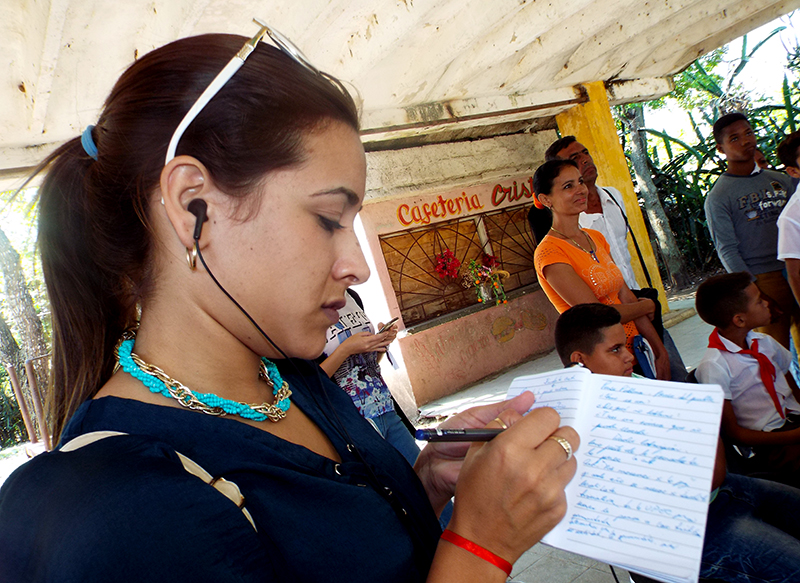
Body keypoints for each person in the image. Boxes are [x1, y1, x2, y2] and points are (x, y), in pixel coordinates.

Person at [0, 25, 580, 583]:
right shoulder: (124, 509)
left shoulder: (295, 380)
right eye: (328, 219)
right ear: (193, 204)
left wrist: (424, 486)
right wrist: (480, 544)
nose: (355, 264)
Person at [555, 303, 800, 583]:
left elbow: (714, 472)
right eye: (615, 350)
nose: (629, 358)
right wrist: (703, 425)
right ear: (580, 360)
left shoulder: (629, 382)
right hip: (688, 536)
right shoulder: (582, 424)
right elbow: (709, 475)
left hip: (725, 493)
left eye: (625, 346)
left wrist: (702, 427)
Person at [544, 135, 687, 380]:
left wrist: (656, 341)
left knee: (674, 377)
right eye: (573, 160)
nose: (584, 160)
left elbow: (622, 287)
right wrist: (648, 305)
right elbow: (598, 314)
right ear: (546, 198)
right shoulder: (552, 250)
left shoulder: (607, 210)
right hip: (608, 340)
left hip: (636, 312)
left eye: (585, 153)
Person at [695, 272, 800, 487]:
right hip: (769, 445)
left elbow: (791, 386)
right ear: (739, 319)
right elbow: (735, 433)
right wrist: (793, 436)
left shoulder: (765, 343)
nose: (766, 304)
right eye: (760, 301)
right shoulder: (714, 366)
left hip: (793, 424)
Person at [704, 112, 798, 353]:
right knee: (775, 355)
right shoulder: (719, 196)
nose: (746, 141)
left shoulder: (782, 180)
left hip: (795, 267)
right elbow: (727, 249)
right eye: (734, 138)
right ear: (720, 148)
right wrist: (753, 292)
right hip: (762, 279)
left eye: (748, 133)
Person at [320, 289, 418, 465]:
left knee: (422, 473)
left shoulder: (352, 296)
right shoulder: (306, 307)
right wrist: (346, 349)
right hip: (354, 423)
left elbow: (369, 364)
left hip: (384, 407)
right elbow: (311, 380)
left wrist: (380, 342)